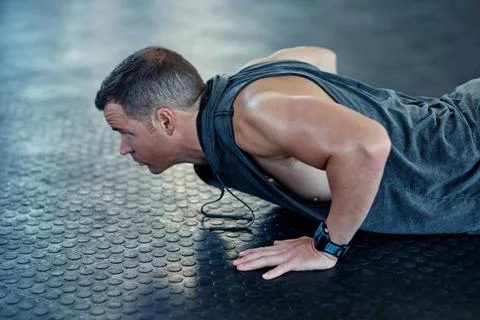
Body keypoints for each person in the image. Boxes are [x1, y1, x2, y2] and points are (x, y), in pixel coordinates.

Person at [95, 46, 480, 280]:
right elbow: (318, 56)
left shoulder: (250, 114)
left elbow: (367, 146)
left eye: (124, 132)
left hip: (468, 150)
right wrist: (316, 125)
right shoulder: (247, 88)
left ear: (165, 120)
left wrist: (325, 247)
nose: (123, 149)